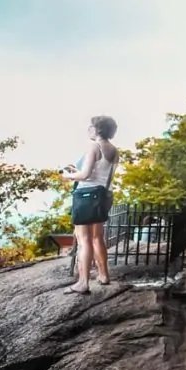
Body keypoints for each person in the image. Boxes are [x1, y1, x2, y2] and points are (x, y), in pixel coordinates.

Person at [61, 116, 119, 295]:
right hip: (103, 195)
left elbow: (85, 174)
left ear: (97, 130)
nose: (88, 129)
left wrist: (68, 175)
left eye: (90, 127)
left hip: (86, 196)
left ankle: (83, 283)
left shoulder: (94, 146)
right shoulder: (114, 150)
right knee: (97, 237)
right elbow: (102, 174)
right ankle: (103, 275)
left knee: (83, 239)